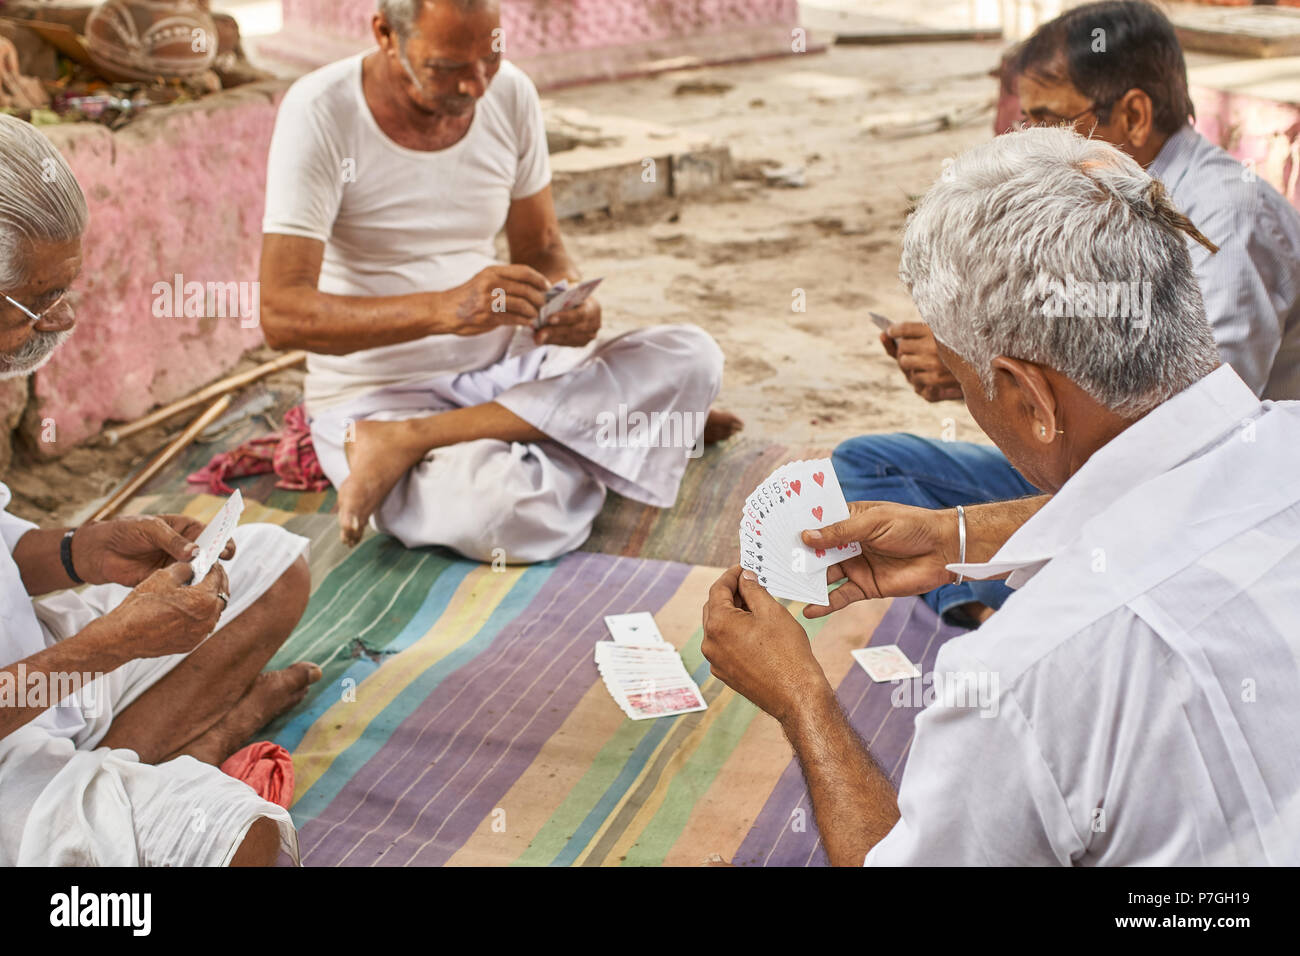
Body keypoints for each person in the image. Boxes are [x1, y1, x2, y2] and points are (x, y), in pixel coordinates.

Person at [703, 127, 1300, 865]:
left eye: (969, 383)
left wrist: (801, 696)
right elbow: (1186, 509)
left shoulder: (1022, 678)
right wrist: (959, 540)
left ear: (1028, 396)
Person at [834, 0, 1300, 627]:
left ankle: (1010, 622)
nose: (1025, 139)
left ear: (1133, 113)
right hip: (1099, 467)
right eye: (1025, 119)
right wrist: (972, 365)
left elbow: (1188, 456)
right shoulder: (1100, 193)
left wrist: (961, 531)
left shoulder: (1226, 221)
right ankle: (979, 609)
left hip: (1187, 498)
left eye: (1049, 119)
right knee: (867, 465)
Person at [259, 0, 740, 561]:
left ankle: (415, 443)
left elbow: (542, 249)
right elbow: (281, 314)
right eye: (446, 67)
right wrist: (445, 311)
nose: (474, 86)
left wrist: (567, 300)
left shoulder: (511, 92)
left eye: (489, 58)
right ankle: (610, 435)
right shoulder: (321, 109)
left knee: (692, 355)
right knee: (504, 515)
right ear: (385, 34)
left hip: (510, 373)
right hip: (375, 397)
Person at [0, 114, 320, 866]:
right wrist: (107, 649)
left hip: (42, 682)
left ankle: (121, 774)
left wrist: (82, 552)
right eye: (34, 302)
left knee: (272, 566)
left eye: (65, 289)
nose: (60, 320)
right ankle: (191, 749)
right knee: (251, 847)